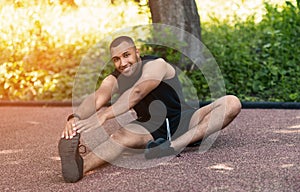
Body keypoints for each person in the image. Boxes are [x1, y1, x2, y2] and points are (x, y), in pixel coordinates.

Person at [58, 36, 242, 183]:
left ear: (137, 52)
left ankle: (170, 147)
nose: (122, 63)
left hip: (183, 119)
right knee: (120, 136)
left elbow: (137, 91)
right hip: (149, 128)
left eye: (126, 55)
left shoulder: (156, 64)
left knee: (232, 102)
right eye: (116, 59)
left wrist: (105, 114)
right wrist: (75, 117)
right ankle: (81, 167)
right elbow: (98, 96)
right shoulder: (113, 78)